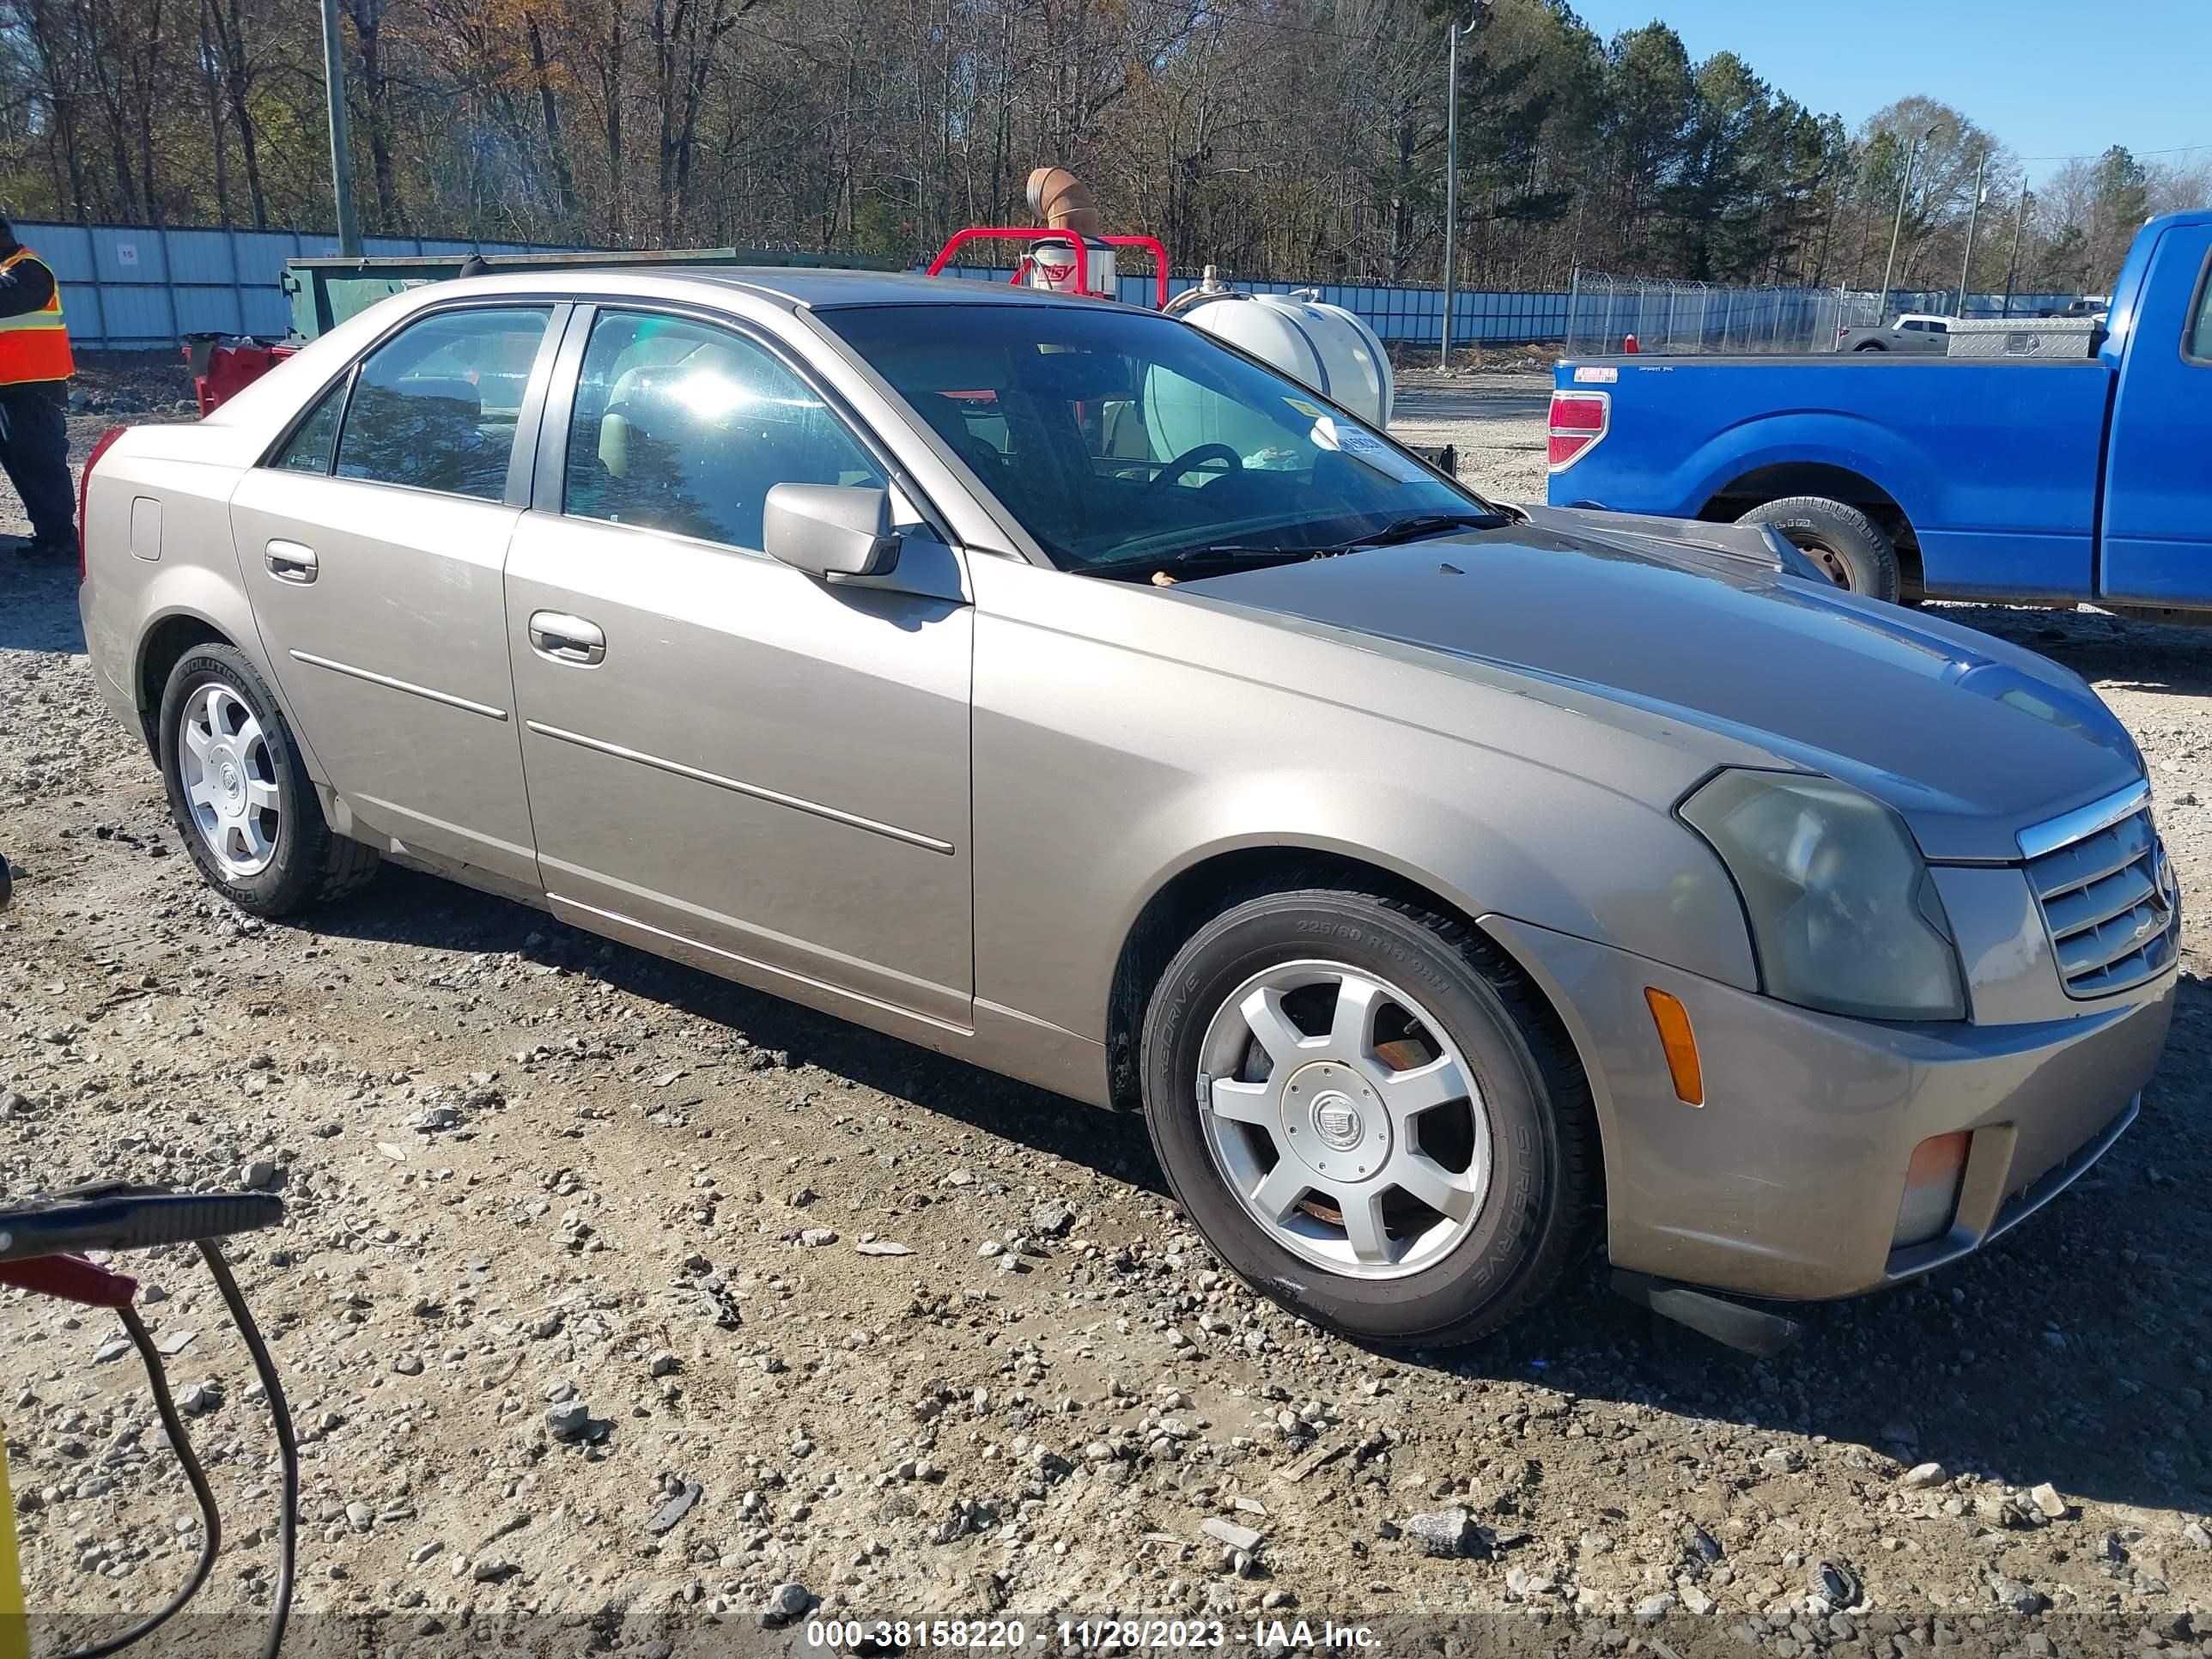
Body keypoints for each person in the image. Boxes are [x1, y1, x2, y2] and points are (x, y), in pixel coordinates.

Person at [0, 212, 76, 562]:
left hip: (32, 387)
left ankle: (60, 539)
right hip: (9, 388)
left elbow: (7, 298)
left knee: (39, 464)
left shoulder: (29, 269)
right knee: (21, 464)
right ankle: (49, 537)